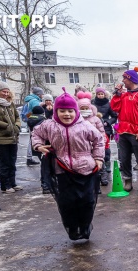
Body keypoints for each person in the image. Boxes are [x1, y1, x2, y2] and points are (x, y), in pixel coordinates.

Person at [32, 88, 104, 241]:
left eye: (70, 111)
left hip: (86, 168)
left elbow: (99, 140)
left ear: (76, 111)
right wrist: (38, 145)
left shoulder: (85, 125)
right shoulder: (49, 125)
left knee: (87, 201)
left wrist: (98, 158)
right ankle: (72, 228)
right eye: (62, 111)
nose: (67, 114)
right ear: (56, 111)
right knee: (67, 202)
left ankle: (85, 227)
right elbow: (36, 133)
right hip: (62, 168)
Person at [110, 67, 138, 192]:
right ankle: (127, 180)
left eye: (125, 78)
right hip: (123, 131)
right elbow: (115, 107)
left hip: (136, 132)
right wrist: (117, 94)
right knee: (124, 158)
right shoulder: (124, 95)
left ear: (131, 80)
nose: (123, 80)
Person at [78, 93, 109, 188]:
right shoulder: (78, 119)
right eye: (82, 108)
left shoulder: (96, 119)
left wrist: (102, 143)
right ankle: (94, 185)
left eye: (86, 108)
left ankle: (103, 179)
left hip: (96, 146)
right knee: (88, 166)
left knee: (100, 164)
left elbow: (101, 132)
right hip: (83, 147)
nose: (84, 110)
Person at [92, 87, 117, 173]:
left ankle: (107, 163)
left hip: (106, 128)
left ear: (104, 94)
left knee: (106, 147)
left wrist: (108, 122)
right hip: (94, 128)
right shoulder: (92, 103)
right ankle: (97, 163)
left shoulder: (108, 104)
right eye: (98, 94)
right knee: (95, 147)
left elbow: (114, 116)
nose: (100, 96)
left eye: (102, 94)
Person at [26, 106, 49, 193]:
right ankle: (46, 185)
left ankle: (45, 184)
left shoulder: (30, 118)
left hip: (36, 144)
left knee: (44, 165)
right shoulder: (43, 120)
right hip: (45, 145)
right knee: (47, 166)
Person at [23, 87, 44, 166]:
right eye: (42, 94)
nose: (43, 95)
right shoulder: (35, 101)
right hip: (36, 122)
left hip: (31, 121)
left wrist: (29, 117)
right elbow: (37, 111)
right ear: (38, 94)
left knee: (31, 139)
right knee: (33, 139)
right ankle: (30, 158)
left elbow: (29, 113)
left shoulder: (30, 100)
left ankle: (29, 158)